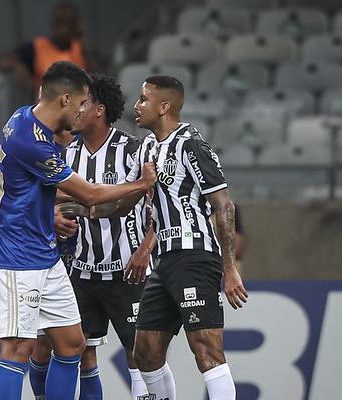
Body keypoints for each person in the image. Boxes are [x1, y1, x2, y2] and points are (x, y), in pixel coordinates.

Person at [0, 61, 156, 400]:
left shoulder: (21, 118)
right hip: (17, 257)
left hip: (47, 256)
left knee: (72, 344)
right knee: (19, 348)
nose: (81, 112)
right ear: (64, 100)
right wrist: (140, 183)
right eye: (80, 103)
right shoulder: (32, 142)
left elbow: (36, 189)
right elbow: (89, 194)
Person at [131, 75, 248, 400]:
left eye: (143, 99)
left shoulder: (191, 144)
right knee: (145, 352)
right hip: (164, 261)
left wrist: (229, 268)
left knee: (206, 349)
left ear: (164, 106)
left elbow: (223, 206)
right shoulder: (148, 147)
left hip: (195, 256)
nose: (136, 106)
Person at [0, 1, 101, 98]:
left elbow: (100, 78)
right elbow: (1, 62)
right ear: (52, 23)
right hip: (45, 113)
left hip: (78, 113)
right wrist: (17, 64)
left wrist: (85, 46)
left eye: (68, 23)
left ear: (75, 25)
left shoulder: (81, 49)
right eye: (59, 23)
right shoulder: (37, 47)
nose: (63, 29)